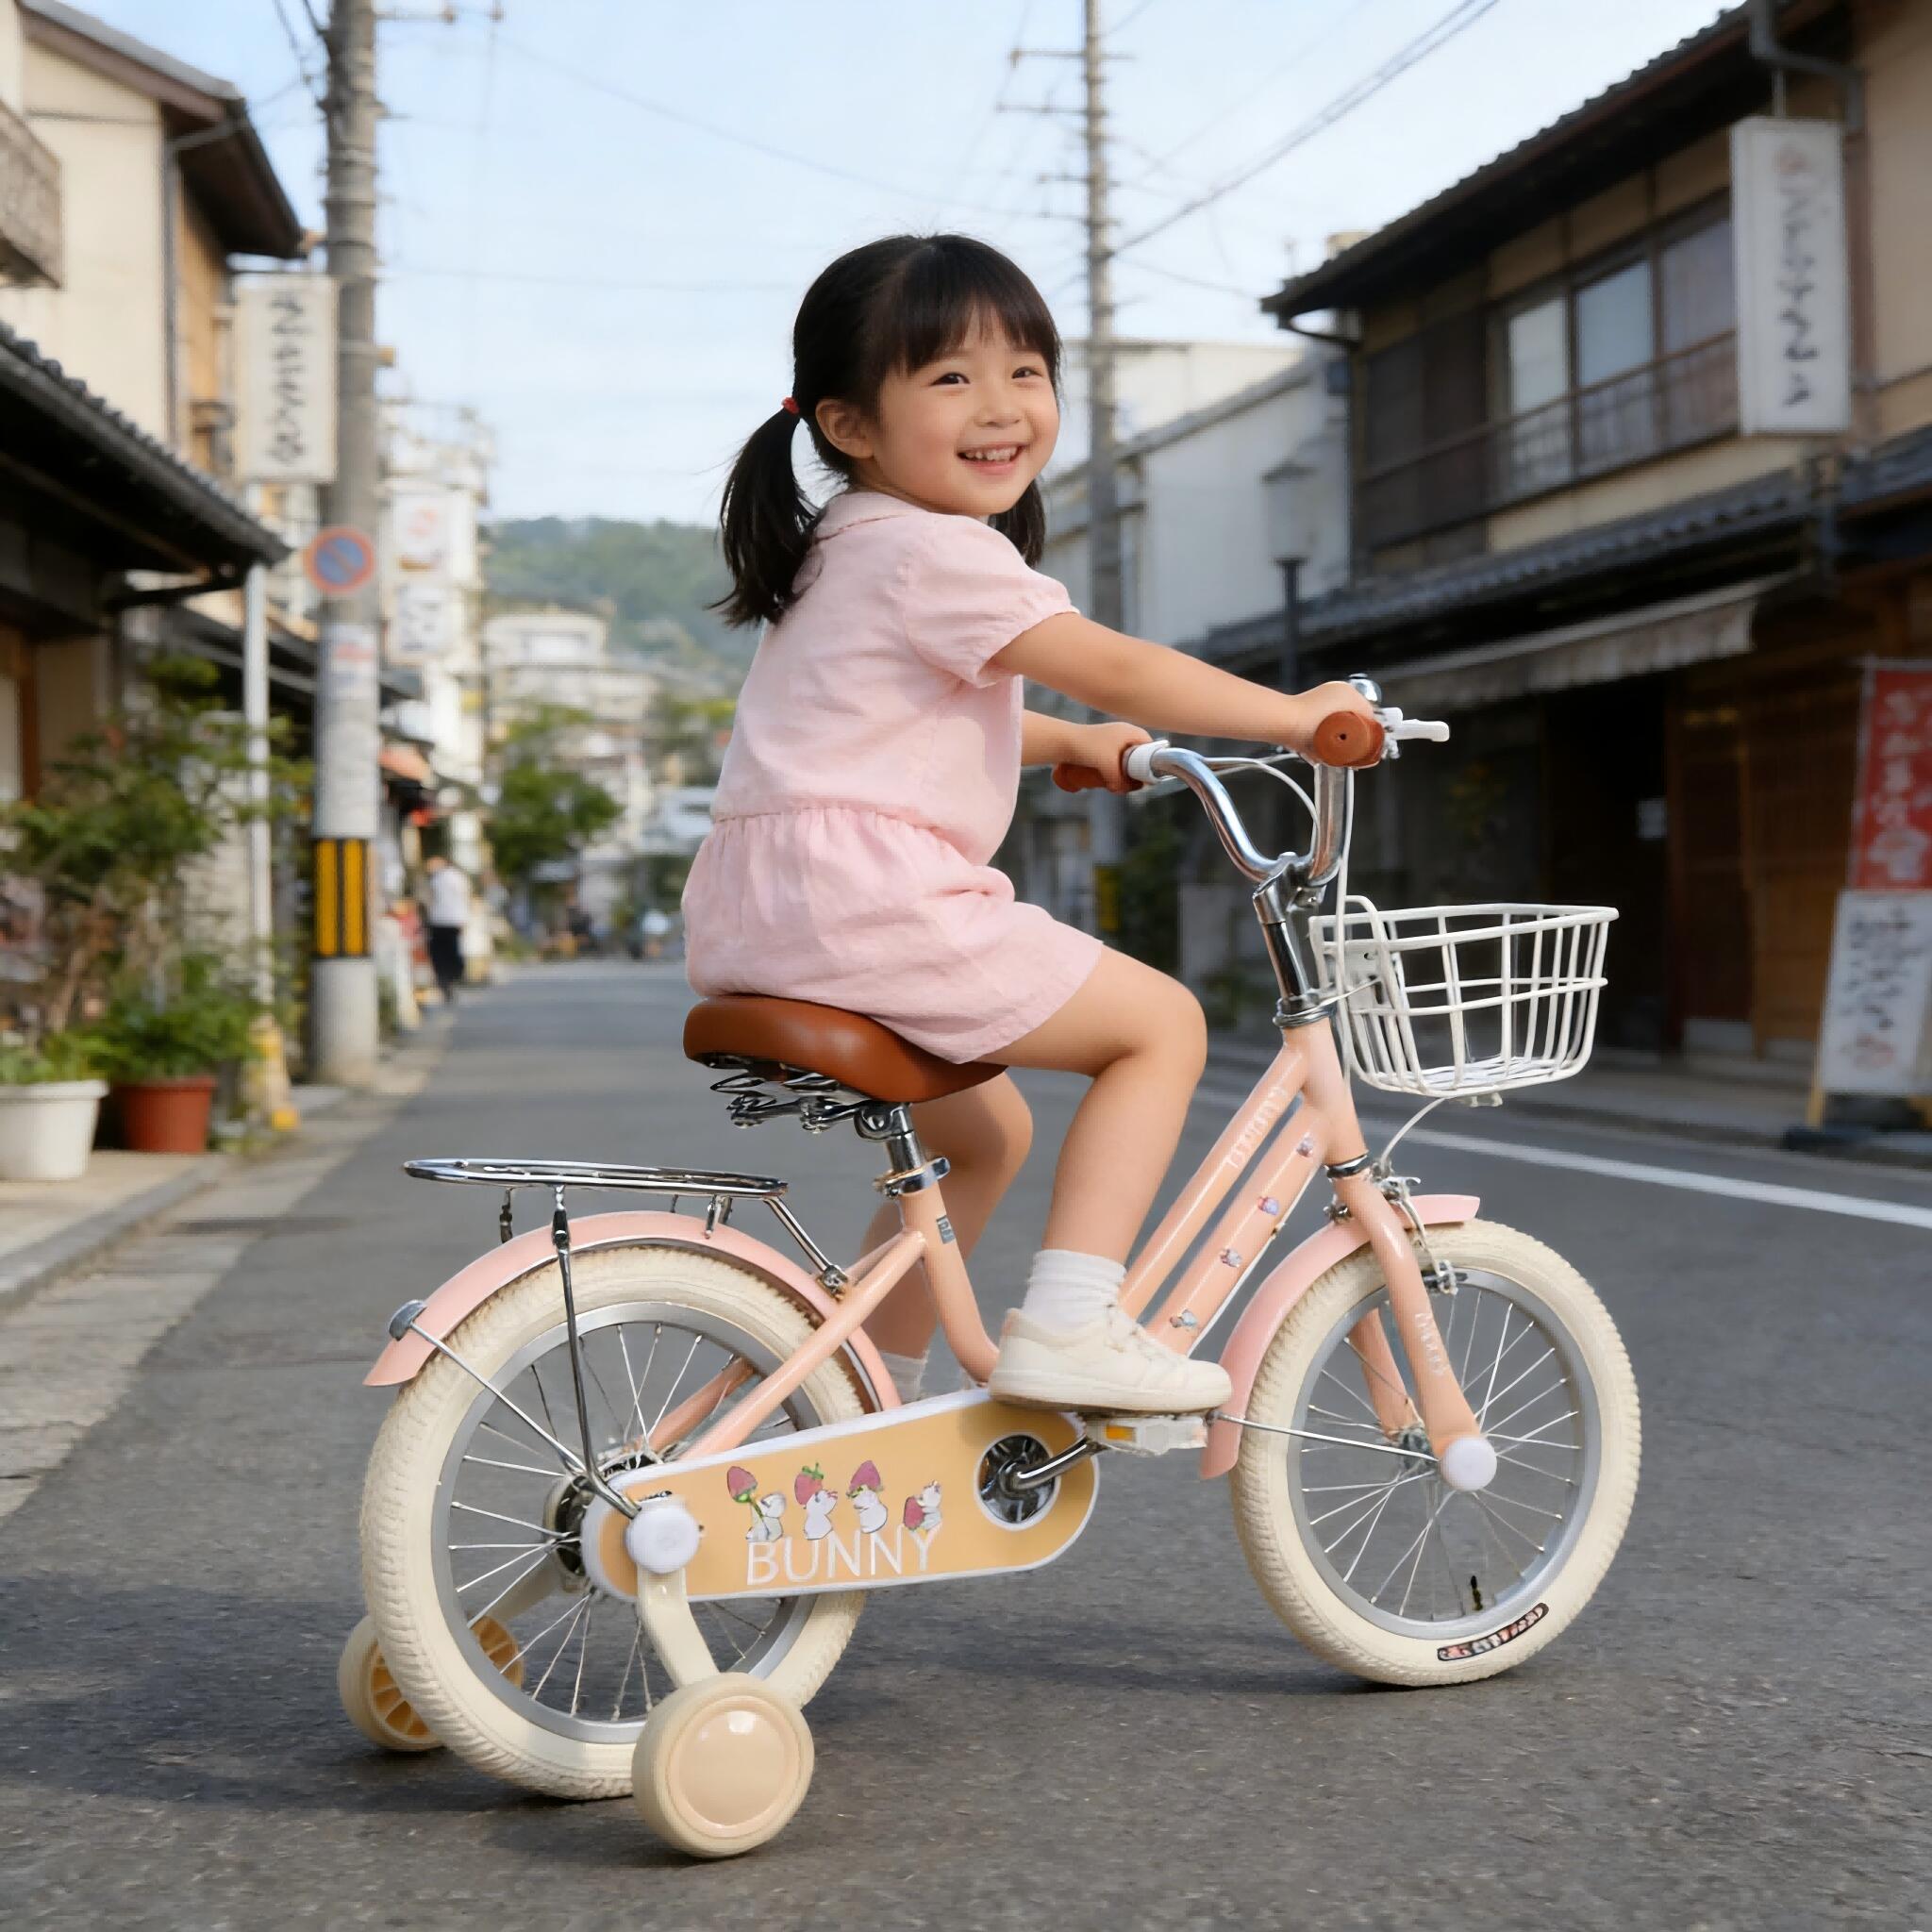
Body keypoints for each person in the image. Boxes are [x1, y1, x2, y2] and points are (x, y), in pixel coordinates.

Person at [680, 233, 1375, 1418]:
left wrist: (1073, 746)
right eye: (950, 378)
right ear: (849, 424)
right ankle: (1069, 1321)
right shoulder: (937, 551)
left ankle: (862, 1388)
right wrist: (1293, 717)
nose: (1001, 407)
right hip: (870, 906)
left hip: (769, 910)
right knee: (1158, 1024)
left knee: (986, 1131)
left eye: (1026, 372)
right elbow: (1112, 664)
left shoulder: (840, 550)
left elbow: (889, 726)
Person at [421, 855, 471, 1008]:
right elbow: (465, 897)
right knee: (452, 950)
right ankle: (451, 979)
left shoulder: (438, 879)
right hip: (453, 919)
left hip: (439, 920)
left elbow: (430, 899)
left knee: (440, 953)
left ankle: (446, 980)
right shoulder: (458, 877)